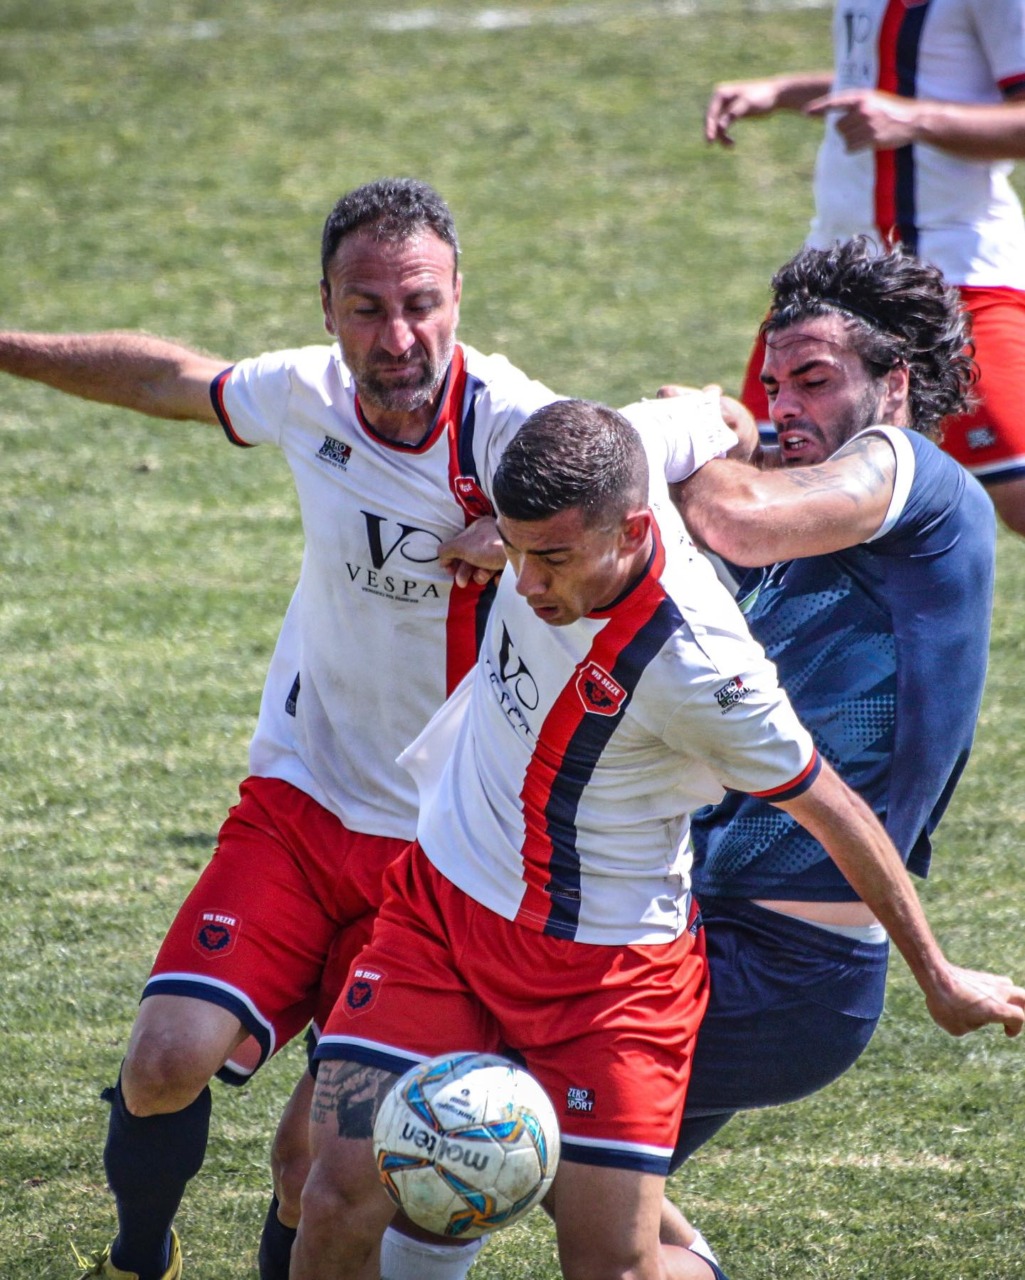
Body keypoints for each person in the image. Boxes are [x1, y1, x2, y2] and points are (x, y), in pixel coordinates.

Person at [0, 178, 740, 1280]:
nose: (397, 337)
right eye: (365, 307)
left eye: (421, 303)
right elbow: (171, 376)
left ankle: (652, 1232)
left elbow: (645, 436)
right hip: (300, 805)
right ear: (326, 307)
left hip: (438, 862)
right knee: (162, 1062)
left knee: (318, 1168)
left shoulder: (510, 427)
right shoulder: (304, 394)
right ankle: (136, 1254)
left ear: (458, 297)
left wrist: (718, 413)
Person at [286, 398, 1023, 1280]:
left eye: (551, 556)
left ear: (633, 530)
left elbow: (832, 808)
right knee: (332, 1199)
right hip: (438, 920)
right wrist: (733, 423)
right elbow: (703, 414)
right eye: (516, 549)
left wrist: (937, 977)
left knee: (613, 1266)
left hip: (608, 980)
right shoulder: (616, 453)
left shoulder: (706, 671)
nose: (524, 585)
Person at [649, 236, 1025, 1266]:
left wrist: (688, 437)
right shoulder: (828, 522)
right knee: (593, 1196)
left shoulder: (905, 472)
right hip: (719, 934)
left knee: (501, 1104)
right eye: (768, 384)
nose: (779, 406)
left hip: (783, 968)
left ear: (893, 381)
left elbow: (728, 515)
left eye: (810, 380)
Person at [704, 0, 1025, 537]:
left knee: (1018, 492)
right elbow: (884, 79)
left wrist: (912, 118)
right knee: (760, 484)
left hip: (956, 277)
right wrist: (784, 93)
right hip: (831, 282)